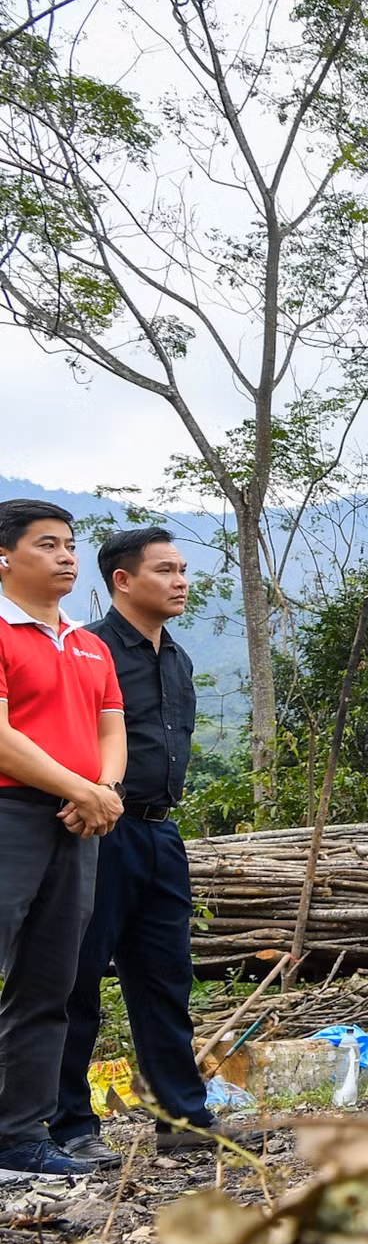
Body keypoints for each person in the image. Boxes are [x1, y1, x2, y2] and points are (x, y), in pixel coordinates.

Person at [53, 529, 261, 1168]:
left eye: (183, 570)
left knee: (166, 978)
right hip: (95, 830)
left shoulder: (178, 658)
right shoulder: (86, 650)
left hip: (161, 831)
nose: (181, 581)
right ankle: (68, 1124)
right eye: (166, 570)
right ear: (122, 579)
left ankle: (181, 1116)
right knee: (76, 979)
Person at [0, 499, 125, 1178]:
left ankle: (18, 1136)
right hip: (10, 813)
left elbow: (112, 733)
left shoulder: (88, 644)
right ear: (5, 556)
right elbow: (3, 739)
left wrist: (99, 792)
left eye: (70, 543)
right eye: (47, 544)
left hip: (79, 824)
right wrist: (82, 790)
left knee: (49, 982)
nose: (67, 556)